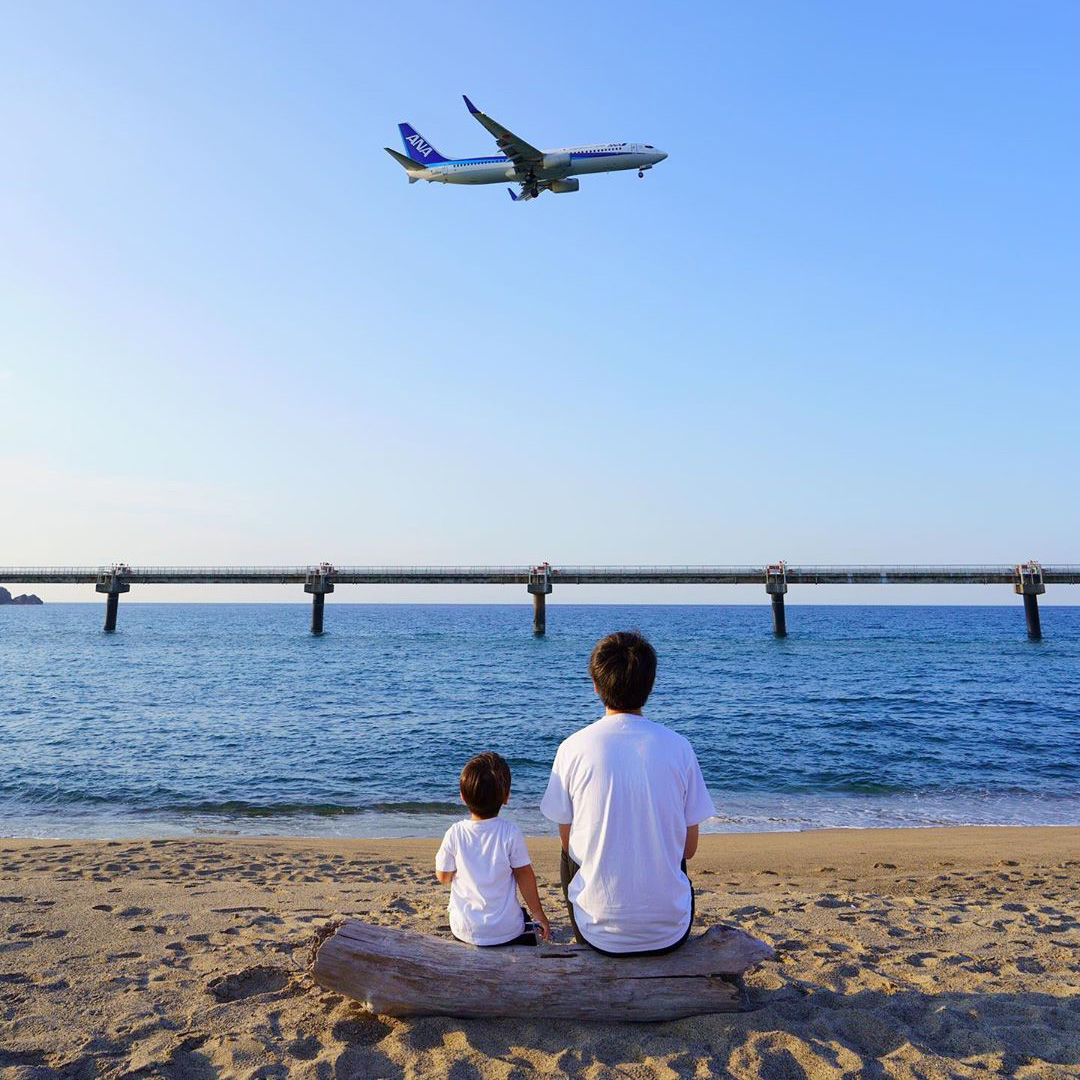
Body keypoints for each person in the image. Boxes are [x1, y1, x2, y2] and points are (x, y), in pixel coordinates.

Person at [539, 631, 715, 955]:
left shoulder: (572, 748)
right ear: (650, 685)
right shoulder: (679, 747)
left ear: (595, 685)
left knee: (568, 850)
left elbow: (568, 843)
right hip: (670, 933)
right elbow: (689, 850)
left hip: (597, 934)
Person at [435, 752, 551, 946]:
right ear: (506, 797)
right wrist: (539, 914)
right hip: (506, 930)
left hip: (465, 929)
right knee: (521, 917)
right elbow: (524, 874)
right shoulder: (510, 832)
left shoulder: (455, 833)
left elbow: (443, 877)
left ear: (462, 797)